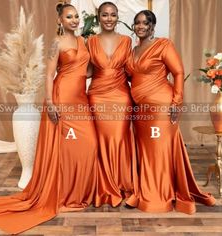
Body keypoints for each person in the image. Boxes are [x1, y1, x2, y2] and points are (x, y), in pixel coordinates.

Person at [0, 3, 97, 234]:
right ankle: (63, 192)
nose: (75, 20)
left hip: (81, 97)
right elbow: (50, 74)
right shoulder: (56, 43)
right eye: (69, 17)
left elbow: (87, 70)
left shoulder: (83, 41)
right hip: (62, 96)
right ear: (60, 21)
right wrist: (50, 101)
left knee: (88, 144)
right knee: (65, 146)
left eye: (76, 16)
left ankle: (77, 190)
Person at [125, 10, 216, 214]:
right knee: (146, 151)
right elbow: (133, 77)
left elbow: (178, 72)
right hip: (140, 110)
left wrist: (177, 102)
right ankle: (146, 189)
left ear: (152, 26)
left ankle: (159, 195)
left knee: (159, 149)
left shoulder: (163, 44)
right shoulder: (133, 50)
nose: (140, 26)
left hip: (161, 106)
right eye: (137, 23)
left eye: (144, 23)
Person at [87, 1, 138, 207]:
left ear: (118, 17)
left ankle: (119, 182)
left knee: (118, 138)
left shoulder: (127, 41)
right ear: (98, 17)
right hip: (97, 95)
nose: (109, 18)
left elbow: (133, 69)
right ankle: (103, 184)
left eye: (113, 15)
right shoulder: (89, 41)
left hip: (120, 95)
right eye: (105, 15)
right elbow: (88, 70)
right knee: (100, 139)